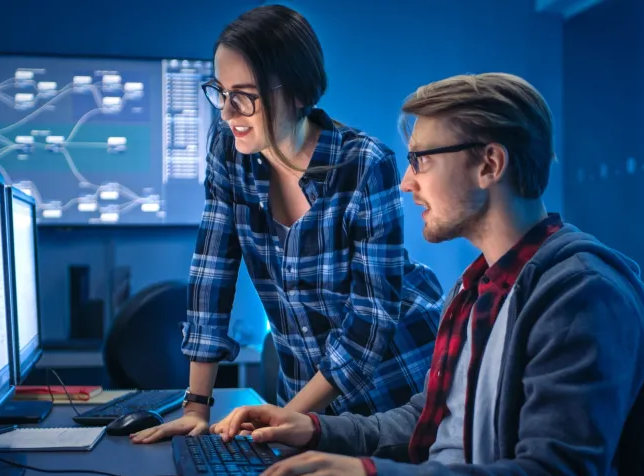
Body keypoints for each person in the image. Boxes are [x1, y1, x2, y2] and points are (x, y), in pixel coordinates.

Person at [208, 73, 644, 476]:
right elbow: (426, 423)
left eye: (420, 160)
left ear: (489, 165)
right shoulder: (478, 286)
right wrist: (312, 429)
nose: (406, 182)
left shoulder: (579, 295)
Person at [131, 5, 443, 444]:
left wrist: (281, 421)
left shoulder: (364, 164)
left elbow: (370, 322)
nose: (226, 112)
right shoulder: (228, 149)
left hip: (392, 384)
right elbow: (212, 270)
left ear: (297, 92)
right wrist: (196, 406)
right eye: (220, 92)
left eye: (244, 95)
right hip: (300, 397)